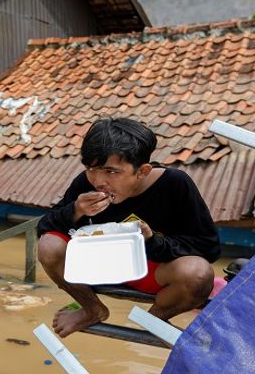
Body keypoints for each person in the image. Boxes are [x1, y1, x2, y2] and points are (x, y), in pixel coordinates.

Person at [37, 117, 221, 337]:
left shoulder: (175, 184)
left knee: (198, 274)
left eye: (111, 171)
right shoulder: (85, 183)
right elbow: (45, 226)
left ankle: (153, 319)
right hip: (99, 268)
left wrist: (153, 241)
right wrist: (75, 210)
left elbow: (208, 247)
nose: (98, 181)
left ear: (142, 171)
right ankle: (91, 309)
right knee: (48, 245)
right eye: (91, 169)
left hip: (152, 271)